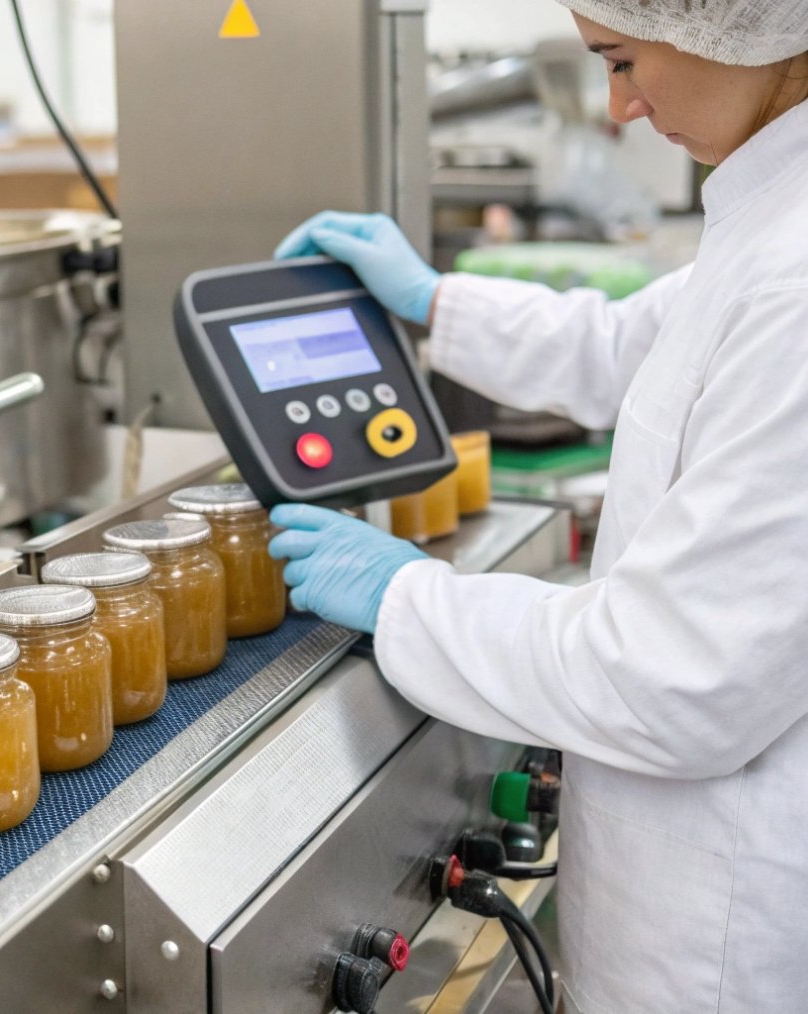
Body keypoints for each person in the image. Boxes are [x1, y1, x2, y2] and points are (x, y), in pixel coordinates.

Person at [268, 3, 808, 1012]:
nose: (621, 106)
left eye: (621, 59)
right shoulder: (772, 217)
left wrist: (411, 599)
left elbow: (673, 678)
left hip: (730, 940)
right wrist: (433, 300)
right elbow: (624, 347)